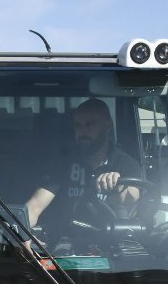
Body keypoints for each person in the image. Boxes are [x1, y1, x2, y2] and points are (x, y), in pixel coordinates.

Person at [25, 98, 143, 239]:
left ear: (108, 125)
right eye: (77, 125)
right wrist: (21, 234)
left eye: (89, 125)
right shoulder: (64, 163)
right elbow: (35, 205)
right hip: (67, 244)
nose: (82, 131)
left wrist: (118, 185)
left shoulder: (125, 163)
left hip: (113, 241)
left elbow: (132, 196)